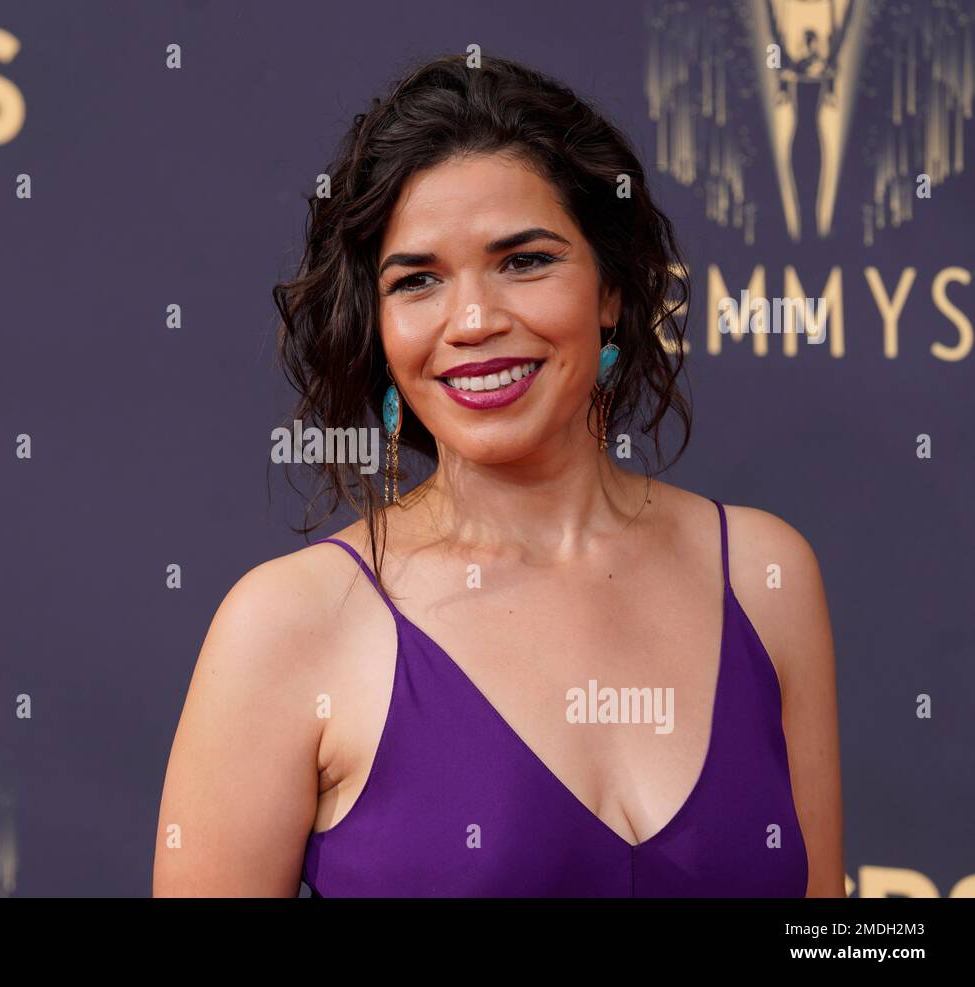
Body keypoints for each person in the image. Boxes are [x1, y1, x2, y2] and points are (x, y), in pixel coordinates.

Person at [153, 53, 843, 897]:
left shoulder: (765, 575)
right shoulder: (290, 624)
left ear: (613, 292)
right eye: (418, 281)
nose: (473, 320)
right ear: (378, 326)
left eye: (524, 261)